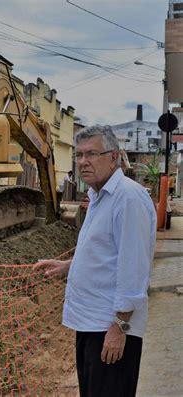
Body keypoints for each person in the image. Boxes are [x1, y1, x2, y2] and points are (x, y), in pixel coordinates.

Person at [39, 125, 156, 397]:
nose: (82, 162)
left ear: (113, 157)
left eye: (91, 154)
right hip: (91, 325)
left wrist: (119, 327)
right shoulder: (98, 196)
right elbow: (107, 253)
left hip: (110, 328)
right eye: (79, 155)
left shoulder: (127, 198)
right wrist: (69, 266)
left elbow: (134, 268)